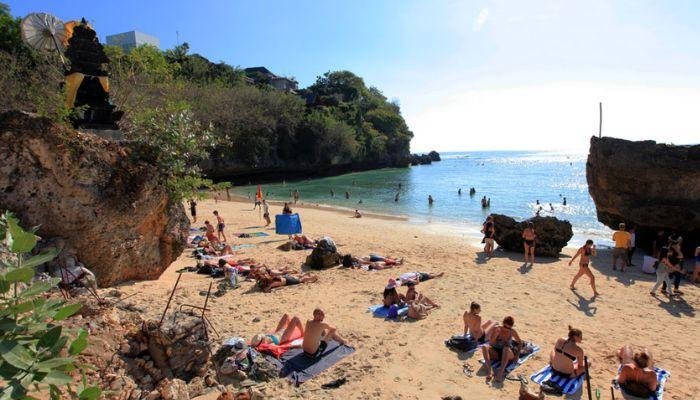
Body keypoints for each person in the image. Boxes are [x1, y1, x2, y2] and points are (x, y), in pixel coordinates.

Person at [481, 316, 522, 382]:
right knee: (484, 347)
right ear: (502, 323)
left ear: (511, 327)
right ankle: (489, 371)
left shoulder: (512, 331)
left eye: (508, 328)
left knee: (506, 348)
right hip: (497, 353)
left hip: (507, 354)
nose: (506, 329)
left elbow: (520, 343)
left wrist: (517, 355)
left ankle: (500, 372)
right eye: (505, 327)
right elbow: (491, 343)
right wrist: (495, 335)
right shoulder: (497, 329)